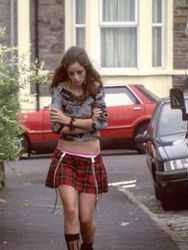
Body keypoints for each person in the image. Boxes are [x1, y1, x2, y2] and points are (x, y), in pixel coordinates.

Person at [45, 46, 108, 250]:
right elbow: (56, 126)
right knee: (70, 211)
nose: (75, 77)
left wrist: (68, 120)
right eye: (71, 73)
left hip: (90, 160)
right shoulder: (59, 89)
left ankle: (87, 245)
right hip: (66, 157)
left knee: (85, 219)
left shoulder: (96, 88)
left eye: (79, 72)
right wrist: (86, 121)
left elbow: (100, 123)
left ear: (86, 69)